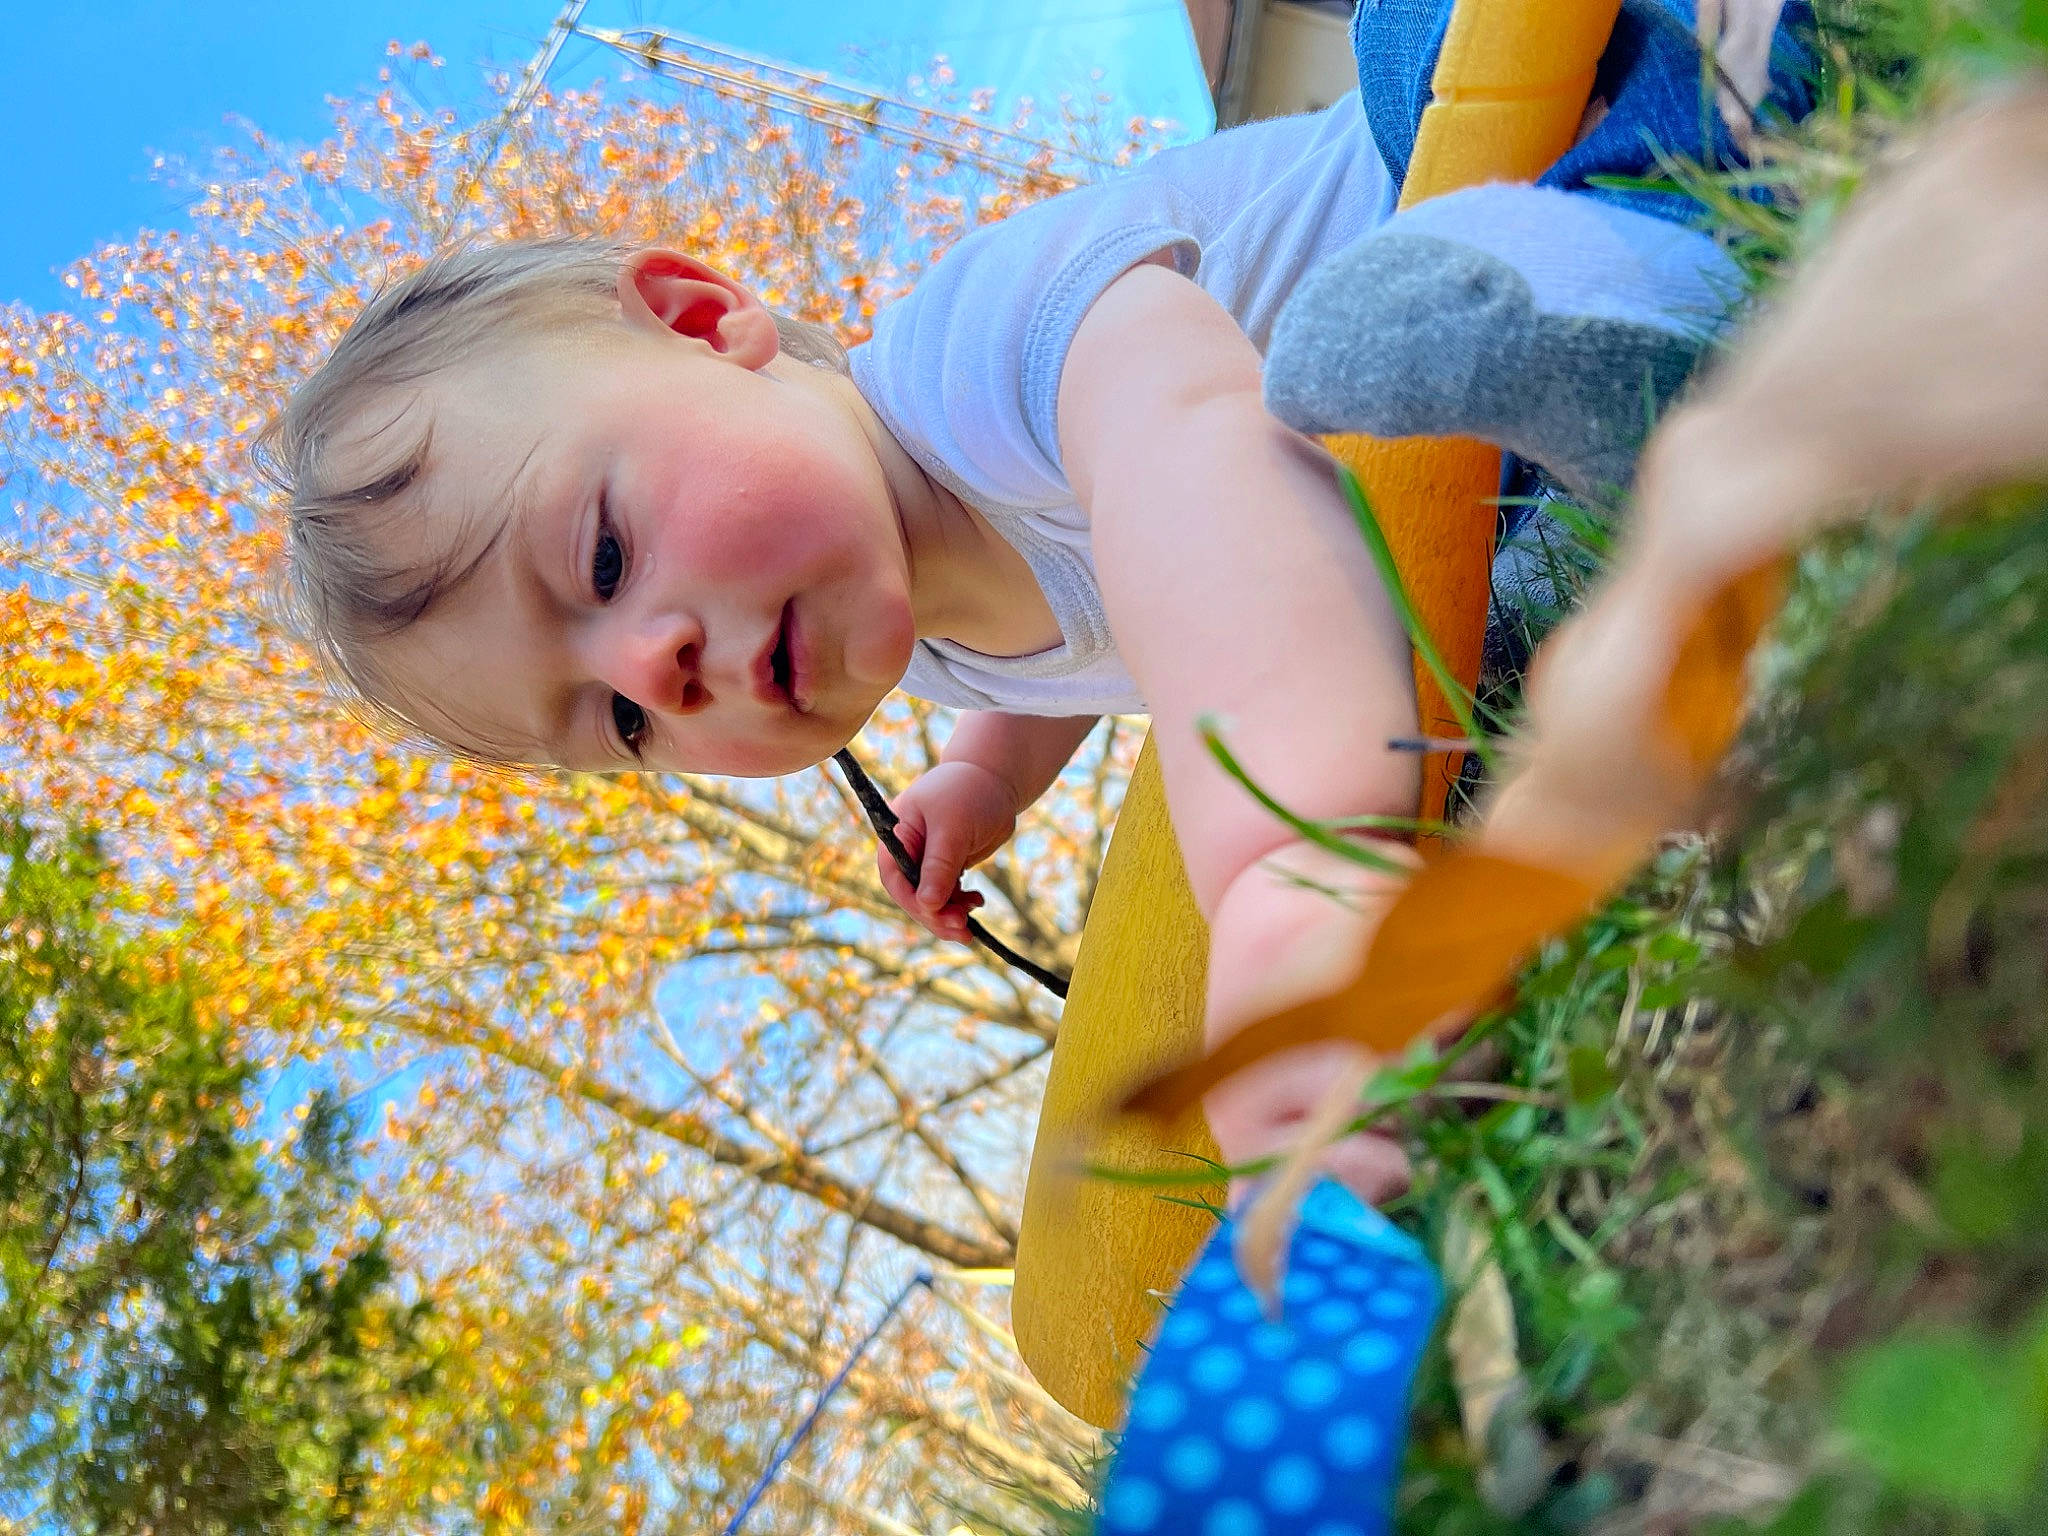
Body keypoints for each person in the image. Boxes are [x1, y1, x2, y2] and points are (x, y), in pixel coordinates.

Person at [260, 0, 1811, 1201]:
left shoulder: (977, 343)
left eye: (601, 558)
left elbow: (1185, 477)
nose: (657, 668)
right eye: (612, 719)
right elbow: (1074, 641)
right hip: (1493, 467)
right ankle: (1657, 365)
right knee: (1511, 651)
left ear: (706, 320)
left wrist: (1287, 867)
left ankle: (1660, 264)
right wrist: (980, 780)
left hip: (1494, 130)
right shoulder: (930, 648)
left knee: (1433, 37)